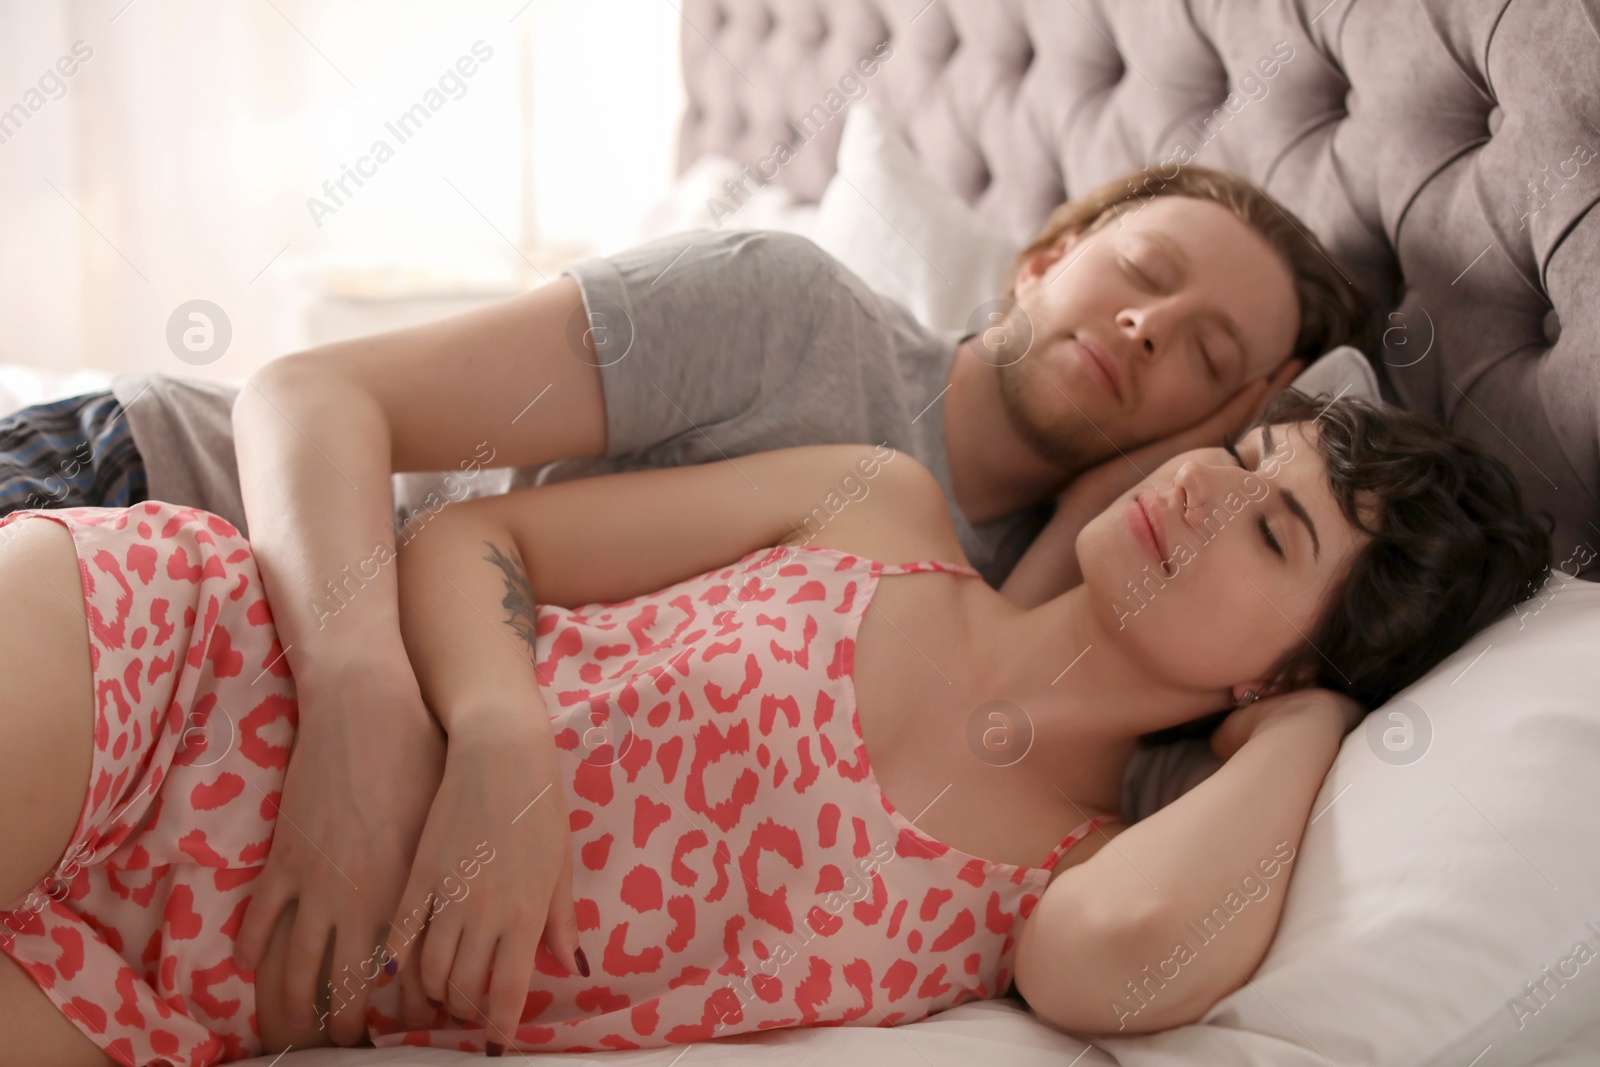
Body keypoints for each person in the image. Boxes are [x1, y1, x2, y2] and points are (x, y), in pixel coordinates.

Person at [0, 164, 1370, 1041]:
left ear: (1232, 420)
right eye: (1142, 274)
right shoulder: (794, 317)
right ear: (1042, 255)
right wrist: (374, 716)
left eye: (1211, 357)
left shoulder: (1002, 601)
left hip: (217, 930)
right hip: (190, 524)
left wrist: (1141, 511)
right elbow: (313, 391)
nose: (1147, 329)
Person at [0, 389, 1550, 1064]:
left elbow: (1111, 961)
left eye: (1273, 535)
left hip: (209, 985)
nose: (1206, 488)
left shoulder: (1061, 887)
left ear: (1284, 679)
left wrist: (1312, 726)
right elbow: (472, 546)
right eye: (1246, 453)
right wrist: (501, 732)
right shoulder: (874, 505)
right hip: (194, 681)